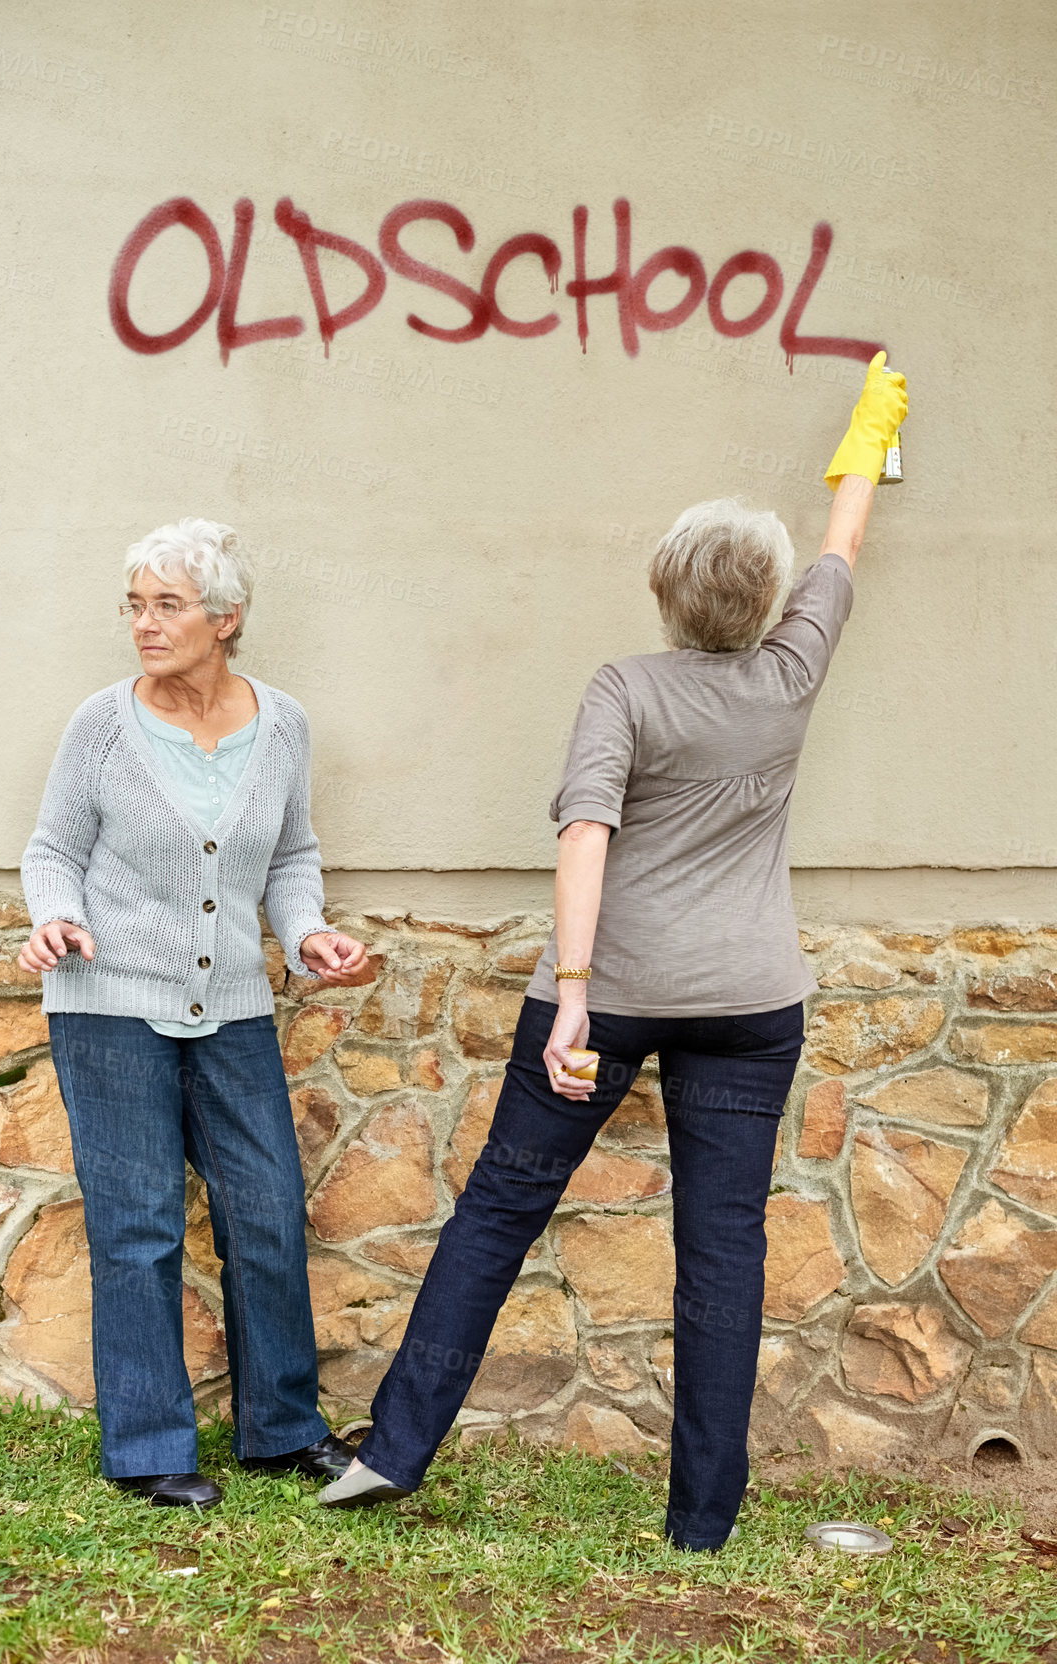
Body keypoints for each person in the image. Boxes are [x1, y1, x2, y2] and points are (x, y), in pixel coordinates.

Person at [322, 356, 909, 1549]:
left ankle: (391, 1452)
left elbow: (584, 828)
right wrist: (872, 424)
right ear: (769, 601)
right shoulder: (793, 671)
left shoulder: (624, 688)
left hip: (615, 991)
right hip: (753, 1002)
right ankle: (702, 1519)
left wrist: (576, 996)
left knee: (499, 1208)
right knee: (722, 1247)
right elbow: (845, 535)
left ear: (662, 592)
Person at [18, 517, 369, 1508]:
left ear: (226, 616)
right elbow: (51, 849)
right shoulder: (101, 723)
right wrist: (57, 918)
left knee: (266, 1212)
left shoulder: (284, 723)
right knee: (138, 1227)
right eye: (134, 604)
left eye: (166, 604)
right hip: (108, 1002)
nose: (144, 623)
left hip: (235, 1007)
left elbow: (292, 856)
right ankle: (149, 1447)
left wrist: (306, 937)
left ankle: (284, 1432)